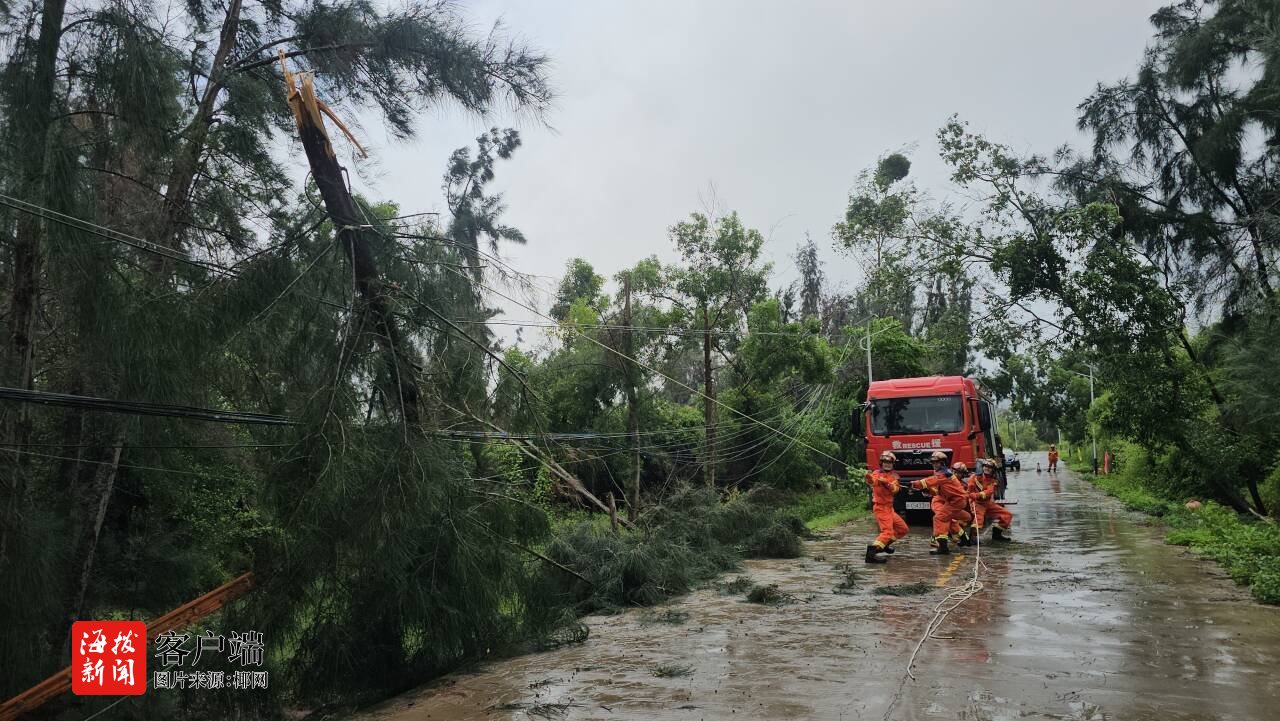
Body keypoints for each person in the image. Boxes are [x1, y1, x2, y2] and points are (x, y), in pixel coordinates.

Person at [909, 451, 972, 555]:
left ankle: (943, 547)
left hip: (955, 501)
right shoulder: (941, 473)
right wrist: (928, 491)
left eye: (937, 462)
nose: (934, 464)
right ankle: (964, 537)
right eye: (933, 462)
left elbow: (930, 481)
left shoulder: (944, 474)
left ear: (943, 463)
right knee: (950, 518)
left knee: (939, 518)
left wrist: (914, 484)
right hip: (952, 501)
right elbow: (939, 490)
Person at [865, 451, 909, 563]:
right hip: (881, 508)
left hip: (889, 508)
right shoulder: (876, 473)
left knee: (903, 529)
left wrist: (888, 484)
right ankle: (871, 553)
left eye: (889, 462)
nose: (887, 464)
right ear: (881, 463)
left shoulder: (894, 476)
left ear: (893, 464)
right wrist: (869, 477)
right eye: (885, 462)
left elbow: (895, 489)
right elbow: (873, 482)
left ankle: (884, 545)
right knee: (887, 532)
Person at [967, 458, 1013, 542]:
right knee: (979, 518)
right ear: (982, 467)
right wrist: (972, 494)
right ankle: (972, 538)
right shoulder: (974, 477)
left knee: (1007, 515)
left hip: (987, 503)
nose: (987, 468)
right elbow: (969, 490)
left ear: (993, 470)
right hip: (976, 503)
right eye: (986, 466)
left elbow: (989, 491)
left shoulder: (994, 481)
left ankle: (996, 535)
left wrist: (977, 495)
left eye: (990, 467)